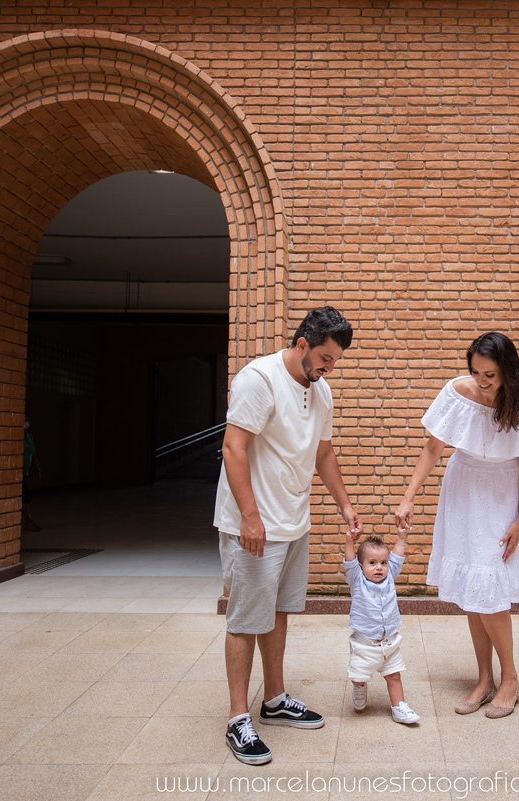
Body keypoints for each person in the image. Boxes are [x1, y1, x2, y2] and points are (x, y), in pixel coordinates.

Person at [214, 306, 362, 765]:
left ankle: (274, 699)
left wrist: (344, 503)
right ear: (302, 344)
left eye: (335, 360)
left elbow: (324, 453)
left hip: (294, 520)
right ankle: (238, 718)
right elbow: (233, 447)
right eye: (324, 357)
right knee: (244, 618)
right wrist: (250, 517)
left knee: (278, 611)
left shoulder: (321, 391)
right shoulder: (258, 379)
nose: (328, 367)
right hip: (254, 525)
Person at [394, 332, 519, 719]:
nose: (482, 380)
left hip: (503, 495)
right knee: (473, 590)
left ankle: (509, 679)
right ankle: (484, 680)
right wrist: (409, 496)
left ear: (508, 372)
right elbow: (432, 447)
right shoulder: (457, 392)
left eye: (491, 374)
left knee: (490, 584)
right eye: (477, 372)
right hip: (463, 489)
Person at [342, 530, 420, 725]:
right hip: (365, 645)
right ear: (361, 567)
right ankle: (359, 687)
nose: (379, 567)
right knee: (359, 676)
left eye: (383, 563)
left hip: (390, 642)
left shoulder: (390, 577)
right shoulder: (357, 580)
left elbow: (397, 556)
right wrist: (349, 542)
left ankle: (399, 706)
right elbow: (350, 560)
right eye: (372, 563)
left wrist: (400, 537)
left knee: (394, 676)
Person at [21, 413, 42, 532]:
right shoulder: (15, 436)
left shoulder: (29, 436)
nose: (27, 422)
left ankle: (28, 520)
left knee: (25, 496)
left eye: (28, 420)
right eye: (25, 420)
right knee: (25, 496)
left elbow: (33, 455)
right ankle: (28, 521)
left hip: (25, 472)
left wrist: (37, 470)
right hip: (18, 473)